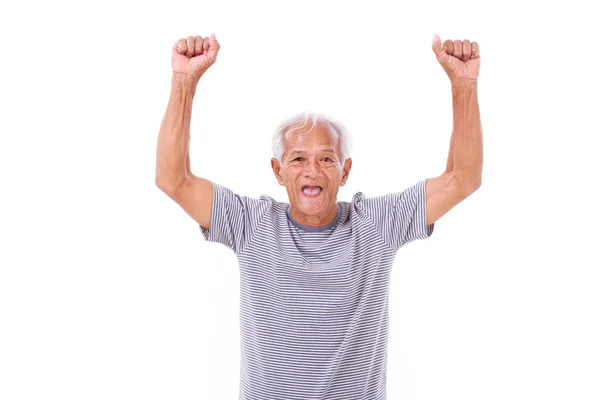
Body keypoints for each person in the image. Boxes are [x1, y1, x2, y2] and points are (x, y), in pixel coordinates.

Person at [155, 32, 482, 400]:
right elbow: (173, 180)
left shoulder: (375, 224)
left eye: (326, 158)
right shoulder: (251, 223)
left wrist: (463, 85)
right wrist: (184, 83)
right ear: (279, 171)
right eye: (298, 159)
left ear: (345, 171)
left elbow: (462, 179)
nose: (312, 170)